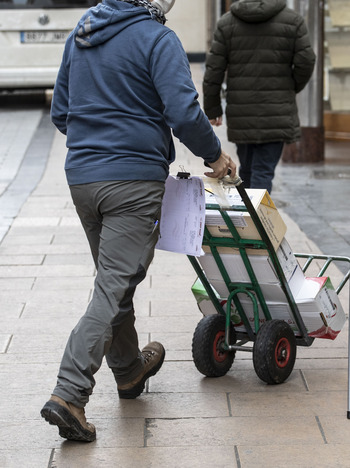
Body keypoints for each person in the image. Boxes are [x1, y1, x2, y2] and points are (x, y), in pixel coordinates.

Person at [40, 0, 237, 443]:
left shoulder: (83, 32)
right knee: (112, 287)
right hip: (132, 181)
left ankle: (129, 372)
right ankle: (70, 392)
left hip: (83, 180)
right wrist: (216, 156)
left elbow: (61, 114)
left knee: (115, 280)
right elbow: (185, 113)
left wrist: (99, 138)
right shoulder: (158, 39)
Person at [203, 0, 316, 193]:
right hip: (276, 111)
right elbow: (306, 61)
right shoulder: (293, 21)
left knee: (246, 171)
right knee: (263, 172)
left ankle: (248, 219)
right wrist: (290, 88)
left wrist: (213, 108)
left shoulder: (227, 22)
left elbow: (214, 69)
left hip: (241, 112)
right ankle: (259, 221)